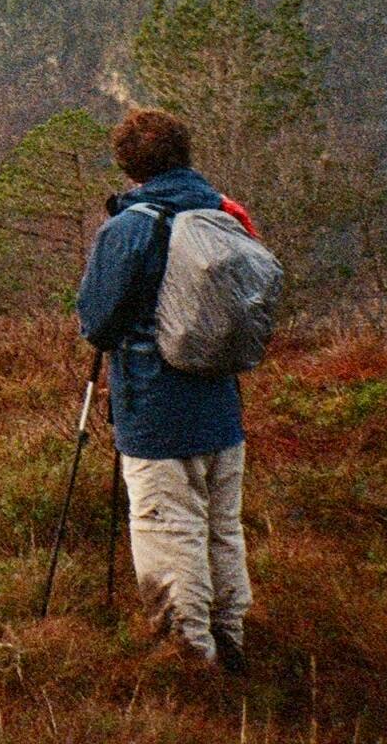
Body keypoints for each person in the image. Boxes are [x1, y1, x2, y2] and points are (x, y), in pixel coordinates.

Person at [75, 107, 251, 674]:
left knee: (166, 529)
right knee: (221, 529)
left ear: (128, 166)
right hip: (221, 406)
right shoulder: (224, 214)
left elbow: (96, 322)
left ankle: (189, 661)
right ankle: (232, 640)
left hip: (155, 410)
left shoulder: (131, 227)